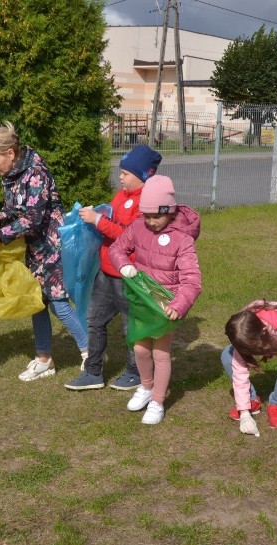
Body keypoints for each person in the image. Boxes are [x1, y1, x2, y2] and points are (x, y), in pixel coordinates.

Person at [0, 122, 88, 381]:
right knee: (36, 303)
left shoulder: (36, 172)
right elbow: (16, 209)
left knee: (59, 304)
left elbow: (33, 217)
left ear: (10, 153)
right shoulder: (11, 175)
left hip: (53, 245)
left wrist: (1, 236)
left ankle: (90, 353)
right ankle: (44, 360)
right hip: (36, 248)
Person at [65, 144, 162, 391]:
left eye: (126, 173)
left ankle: (135, 372)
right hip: (105, 272)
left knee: (132, 326)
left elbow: (130, 236)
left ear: (143, 177)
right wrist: (96, 215)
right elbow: (111, 218)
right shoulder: (121, 195)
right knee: (93, 320)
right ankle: (93, 372)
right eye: (120, 172)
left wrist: (98, 221)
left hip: (127, 275)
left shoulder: (146, 204)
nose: (120, 177)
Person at [108, 175, 202, 424]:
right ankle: (146, 387)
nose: (151, 222)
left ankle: (158, 401)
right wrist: (124, 265)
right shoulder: (139, 226)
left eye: (156, 216)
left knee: (160, 353)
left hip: (164, 305)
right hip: (142, 300)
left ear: (169, 211)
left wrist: (178, 305)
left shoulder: (182, 239)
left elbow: (192, 280)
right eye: (146, 215)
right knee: (139, 347)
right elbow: (117, 248)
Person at [221, 300, 277, 435]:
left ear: (262, 333)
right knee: (227, 355)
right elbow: (240, 376)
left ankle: (276, 404)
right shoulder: (242, 330)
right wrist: (244, 413)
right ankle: (251, 400)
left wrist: (275, 349)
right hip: (262, 337)